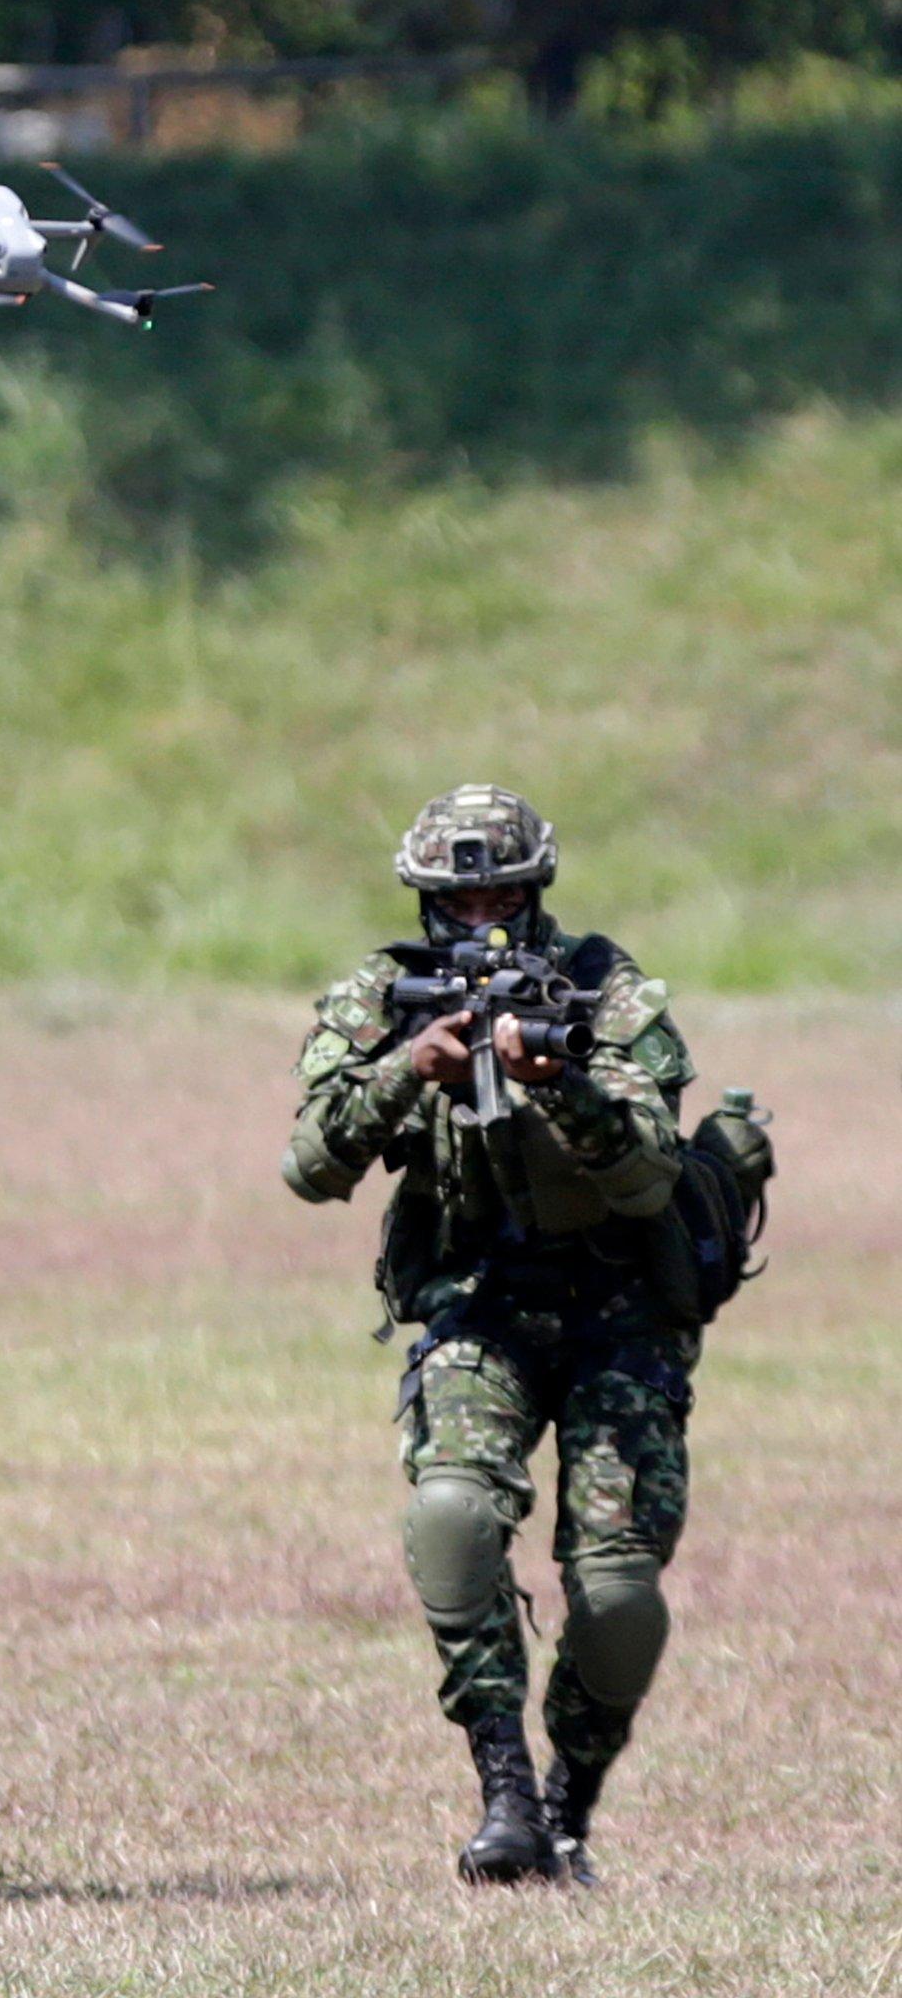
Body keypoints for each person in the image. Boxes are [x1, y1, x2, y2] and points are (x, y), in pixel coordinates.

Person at [284, 784, 725, 1885]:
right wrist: (408, 1066)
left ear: (539, 891)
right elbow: (309, 1164)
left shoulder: (606, 989)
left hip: (621, 1316)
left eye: (504, 891)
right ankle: (505, 1792)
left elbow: (648, 1172)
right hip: (477, 1303)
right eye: (457, 894)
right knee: (453, 1516)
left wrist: (560, 1078)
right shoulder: (385, 995)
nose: (482, 913)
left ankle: (571, 1805)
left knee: (619, 1595)